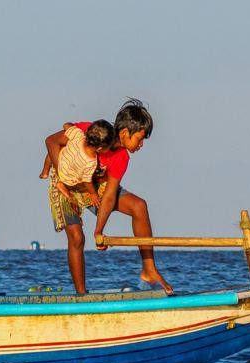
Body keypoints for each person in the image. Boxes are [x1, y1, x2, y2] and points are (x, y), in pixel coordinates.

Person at [39, 98, 172, 294]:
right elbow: (51, 141)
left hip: (93, 187)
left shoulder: (122, 157)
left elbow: (109, 196)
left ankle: (149, 270)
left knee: (139, 206)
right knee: (76, 237)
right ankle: (81, 294)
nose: (141, 145)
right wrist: (64, 174)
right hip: (64, 186)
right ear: (125, 133)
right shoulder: (92, 131)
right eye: (140, 138)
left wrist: (99, 230)